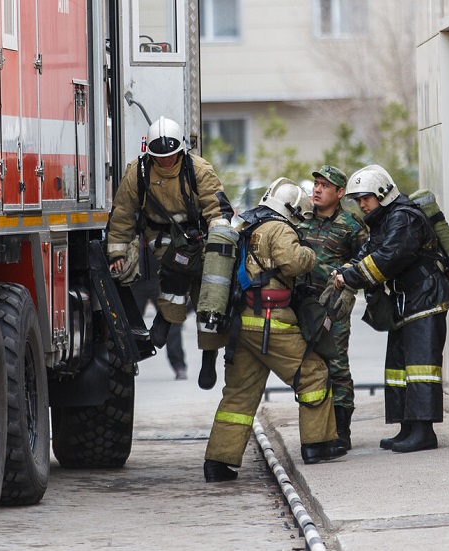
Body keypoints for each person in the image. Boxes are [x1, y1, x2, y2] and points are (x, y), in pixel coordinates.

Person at [203, 178, 346, 482]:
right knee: (314, 373)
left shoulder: (250, 226)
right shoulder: (280, 228)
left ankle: (218, 461)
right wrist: (309, 253)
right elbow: (293, 262)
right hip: (272, 321)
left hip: (243, 326)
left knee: (239, 395)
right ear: (293, 209)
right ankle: (316, 445)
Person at [332, 165, 449, 453]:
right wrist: (344, 269)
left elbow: (388, 258)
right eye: (358, 200)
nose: (362, 205)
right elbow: (368, 253)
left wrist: (350, 278)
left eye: (366, 198)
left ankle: (424, 432)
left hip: (426, 300)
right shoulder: (385, 218)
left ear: (382, 194)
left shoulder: (403, 217)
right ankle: (407, 427)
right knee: (399, 368)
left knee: (421, 368)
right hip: (407, 302)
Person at [107, 116, 234, 359]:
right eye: (160, 157)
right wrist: (117, 252)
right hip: (161, 235)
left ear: (181, 150)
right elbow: (122, 213)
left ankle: (209, 355)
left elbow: (217, 207)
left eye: (171, 155)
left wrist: (218, 240)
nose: (166, 161)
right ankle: (166, 318)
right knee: (177, 264)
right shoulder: (138, 173)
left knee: (208, 289)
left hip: (199, 236)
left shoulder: (198, 170)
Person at [298, 165, 368, 450]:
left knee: (336, 365)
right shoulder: (300, 220)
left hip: (333, 307)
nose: (317, 189)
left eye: (325, 186)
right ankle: (318, 429)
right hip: (303, 305)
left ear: (339, 193)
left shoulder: (352, 226)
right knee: (309, 366)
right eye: (316, 184)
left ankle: (342, 432)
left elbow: (366, 263)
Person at [129, 241, 188, 379]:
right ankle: (127, 365)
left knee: (171, 322)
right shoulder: (133, 221)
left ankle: (179, 366)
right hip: (136, 280)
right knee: (129, 326)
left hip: (159, 278)